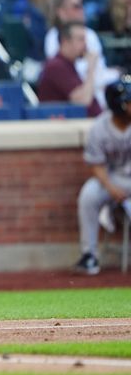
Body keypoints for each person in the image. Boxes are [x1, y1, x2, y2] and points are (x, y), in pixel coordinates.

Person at [74, 76, 131, 275]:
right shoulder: (100, 127)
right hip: (113, 177)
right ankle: (89, 254)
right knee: (88, 195)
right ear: (120, 105)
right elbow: (96, 164)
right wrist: (111, 188)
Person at [37, 22, 102, 117]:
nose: (85, 44)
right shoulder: (56, 66)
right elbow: (83, 101)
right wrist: (91, 68)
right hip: (65, 129)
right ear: (65, 41)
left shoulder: (67, 65)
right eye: (81, 39)